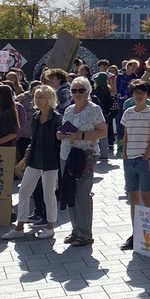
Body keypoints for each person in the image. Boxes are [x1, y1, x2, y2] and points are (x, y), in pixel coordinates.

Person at [3, 85, 61, 241]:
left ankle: (50, 227)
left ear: (49, 99)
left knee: (49, 194)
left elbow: (59, 141)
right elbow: (34, 138)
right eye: (36, 96)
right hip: (34, 159)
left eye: (41, 96)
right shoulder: (35, 117)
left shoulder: (56, 118)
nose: (37, 99)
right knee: (24, 192)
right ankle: (20, 226)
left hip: (50, 161)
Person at [59, 76, 107, 248]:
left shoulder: (94, 109)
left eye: (81, 90)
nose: (77, 94)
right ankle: (75, 230)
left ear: (88, 92)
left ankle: (85, 233)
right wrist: (61, 135)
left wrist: (81, 136)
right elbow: (64, 128)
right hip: (67, 154)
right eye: (74, 90)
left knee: (82, 194)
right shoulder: (69, 110)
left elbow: (103, 132)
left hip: (86, 155)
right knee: (70, 192)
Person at [118, 80, 150, 250]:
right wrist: (125, 154)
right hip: (130, 159)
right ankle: (136, 234)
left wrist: (148, 154)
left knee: (147, 197)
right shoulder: (128, 112)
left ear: (148, 95)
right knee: (133, 197)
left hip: (144, 160)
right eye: (136, 93)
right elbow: (126, 134)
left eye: (142, 93)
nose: (139, 96)